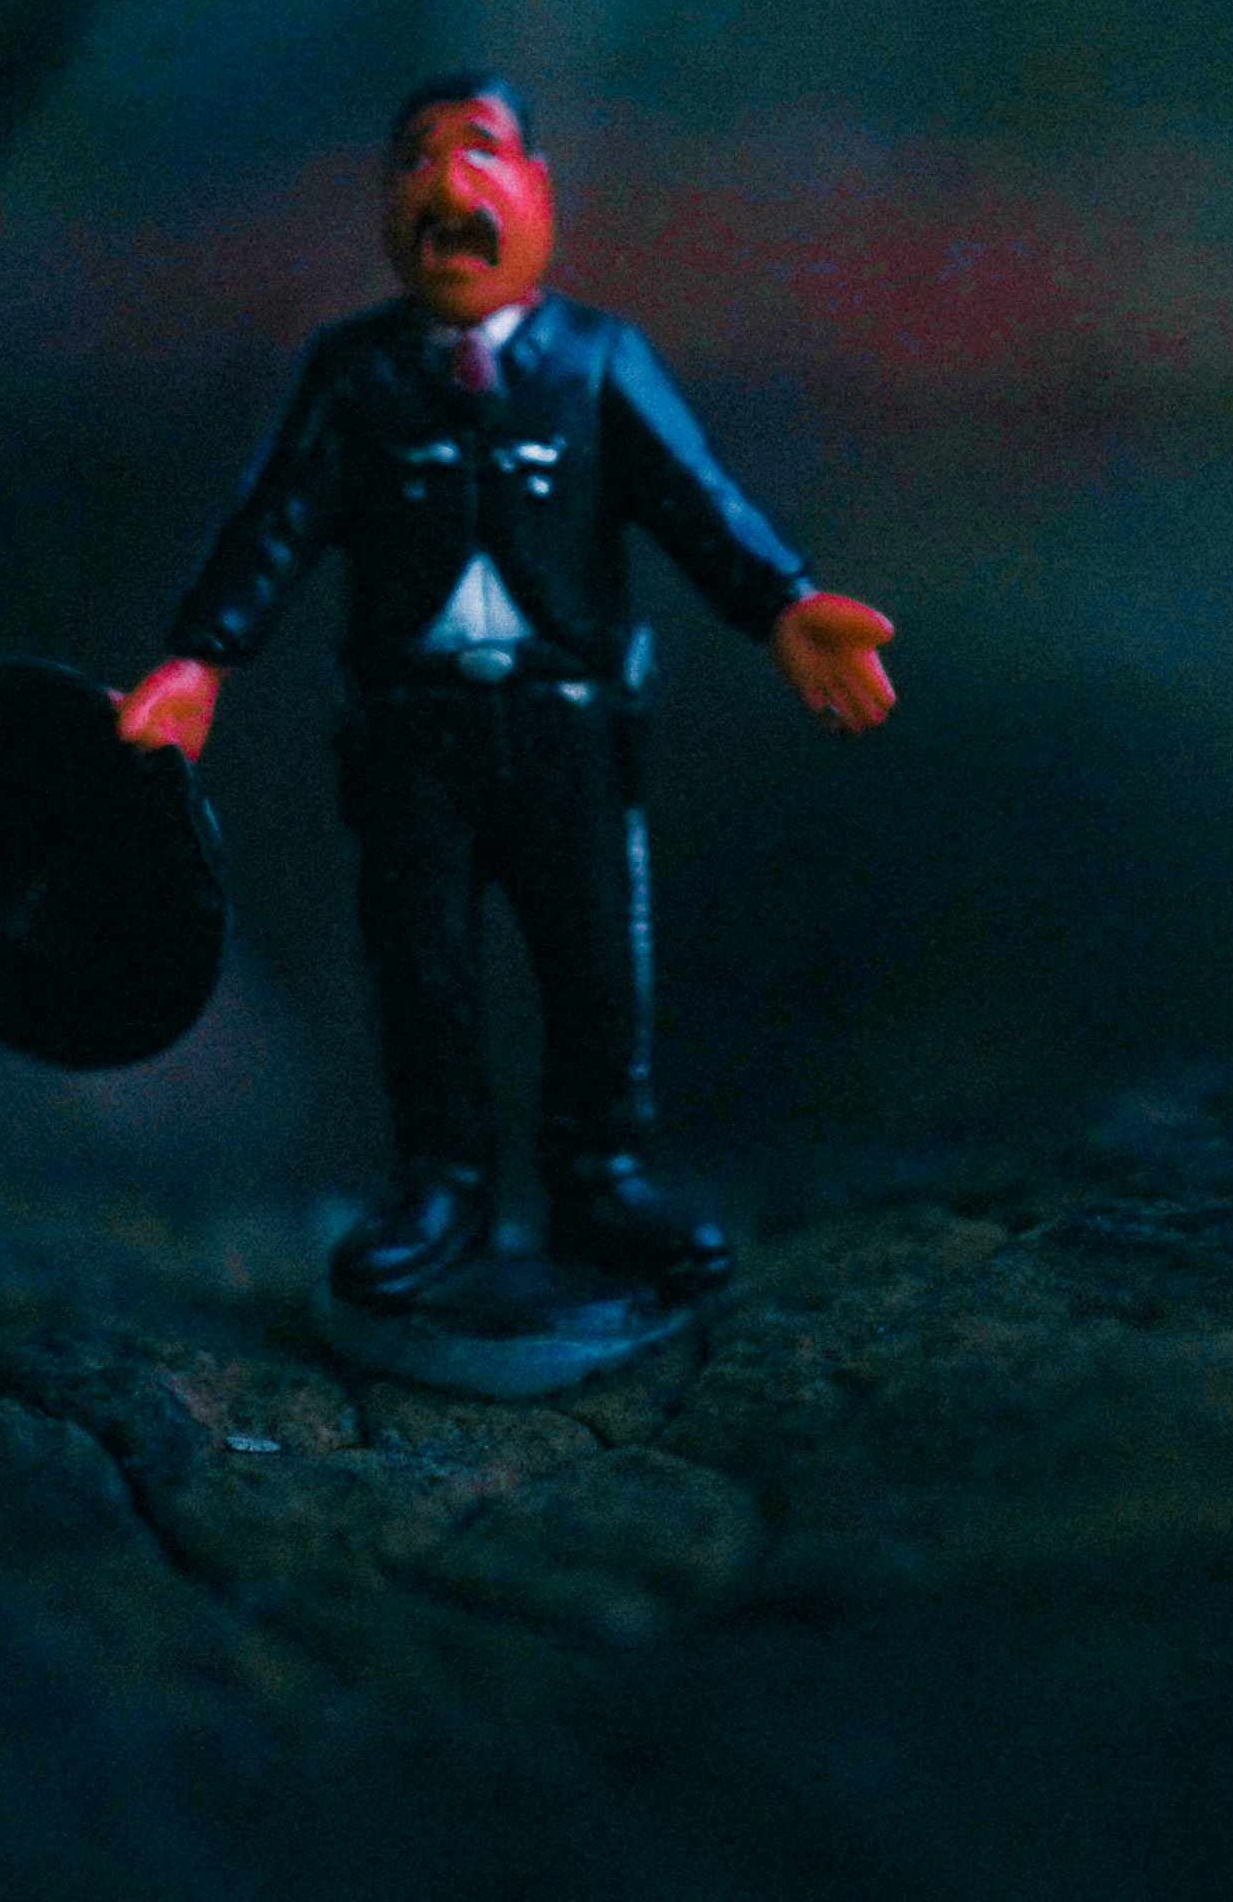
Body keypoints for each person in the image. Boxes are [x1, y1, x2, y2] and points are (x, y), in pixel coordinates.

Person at [113, 81, 896, 1318]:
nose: (447, 185)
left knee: (594, 960)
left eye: (479, 151)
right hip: (411, 732)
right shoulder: (356, 374)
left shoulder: (597, 361)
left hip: (567, 728)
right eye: (416, 159)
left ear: (538, 187)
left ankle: (601, 1178)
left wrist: (784, 604)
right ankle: (441, 1185)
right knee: (420, 963)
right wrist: (202, 656)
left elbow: (699, 501)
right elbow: (274, 523)